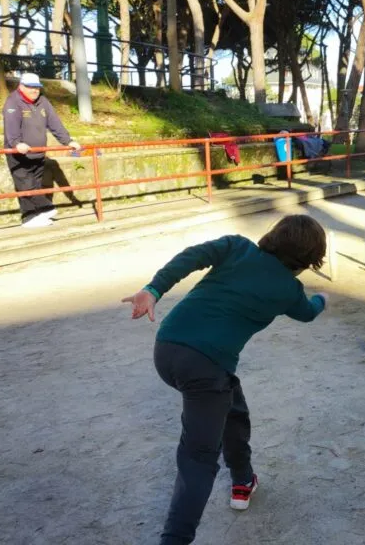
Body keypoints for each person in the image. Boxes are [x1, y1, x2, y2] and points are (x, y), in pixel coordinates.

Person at [122, 215, 329, 545]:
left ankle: (242, 480)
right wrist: (322, 300)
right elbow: (307, 312)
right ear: (308, 260)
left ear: (273, 235)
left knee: (232, 407)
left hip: (168, 349)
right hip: (205, 369)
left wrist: (153, 289)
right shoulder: (290, 290)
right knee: (198, 459)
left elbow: (191, 256)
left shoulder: (236, 247)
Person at [2, 72, 81, 227]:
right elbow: (11, 126)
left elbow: (55, 123)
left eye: (37, 87)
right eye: (31, 87)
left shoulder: (43, 102)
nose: (35, 91)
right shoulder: (13, 102)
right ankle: (45, 208)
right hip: (18, 154)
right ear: (21, 86)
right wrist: (16, 143)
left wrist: (68, 140)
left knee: (36, 184)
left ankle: (31, 217)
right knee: (26, 184)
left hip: (38, 152)